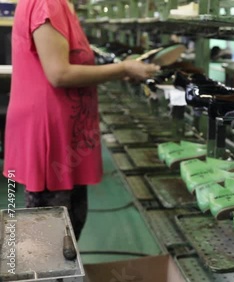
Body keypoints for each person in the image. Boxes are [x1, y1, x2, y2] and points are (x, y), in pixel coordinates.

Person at [3, 0, 159, 240]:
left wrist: (117, 71)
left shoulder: (61, 5)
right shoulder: (47, 3)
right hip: (50, 134)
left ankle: (61, 276)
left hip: (65, 132)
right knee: (49, 236)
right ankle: (50, 278)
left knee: (67, 226)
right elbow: (59, 73)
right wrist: (123, 69)